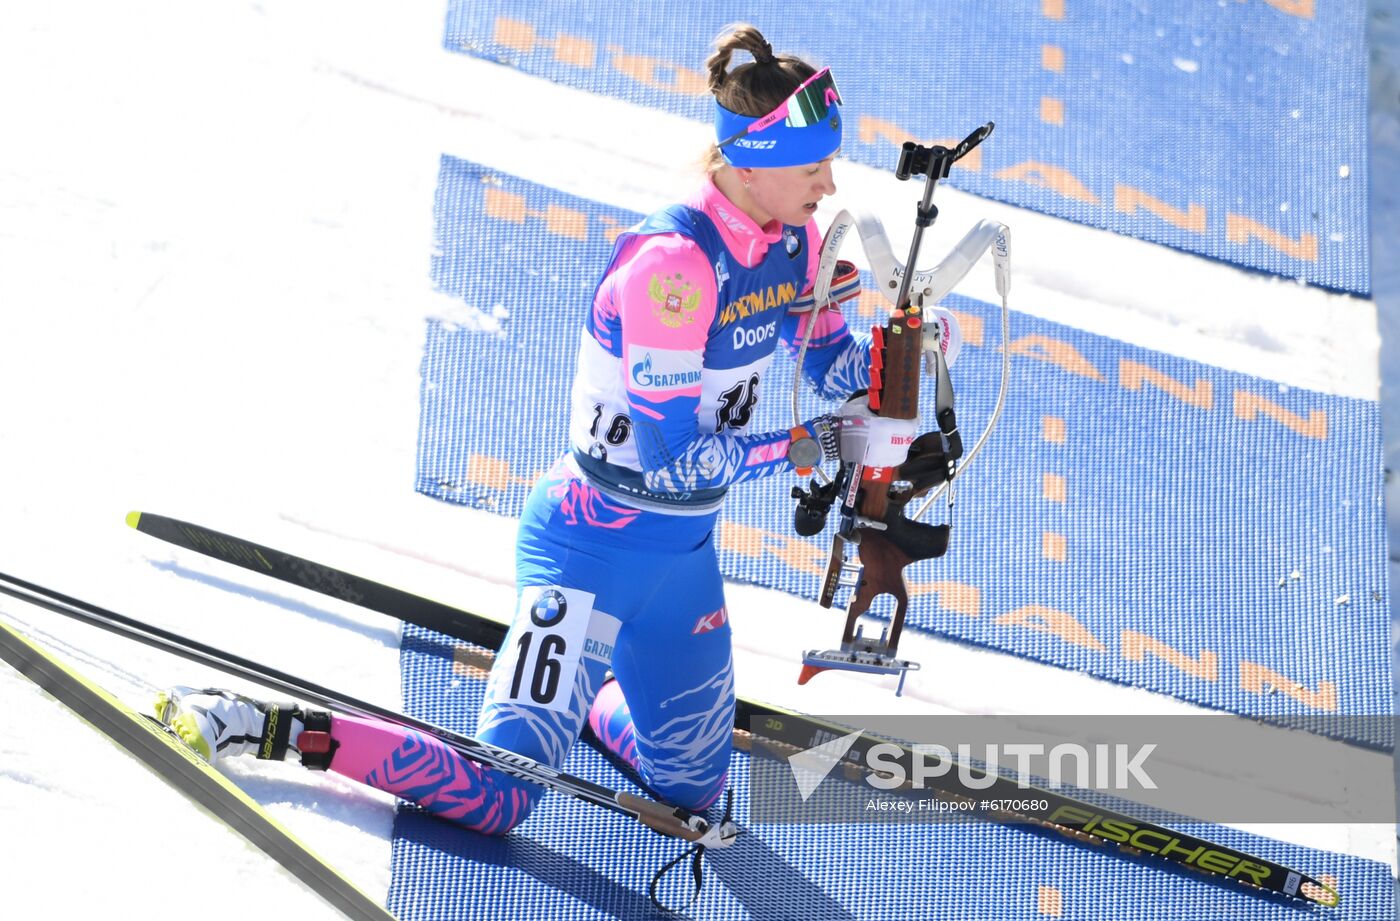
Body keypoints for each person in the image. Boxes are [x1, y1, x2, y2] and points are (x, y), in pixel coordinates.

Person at [156, 23, 929, 836]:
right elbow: (672, 459)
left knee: (695, 798)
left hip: (682, 562)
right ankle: (271, 721)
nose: (830, 184)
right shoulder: (673, 266)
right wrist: (821, 443)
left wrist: (901, 360)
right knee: (501, 797)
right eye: (813, 167)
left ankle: (582, 694)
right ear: (753, 160)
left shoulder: (794, 238)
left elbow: (831, 366)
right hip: (589, 551)